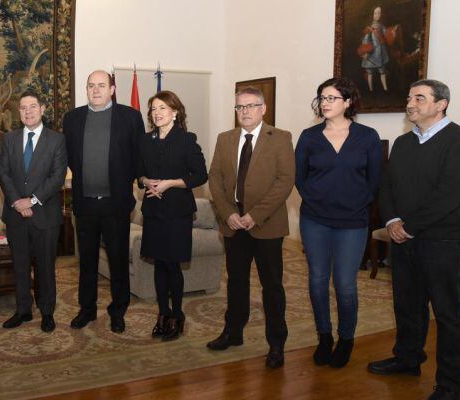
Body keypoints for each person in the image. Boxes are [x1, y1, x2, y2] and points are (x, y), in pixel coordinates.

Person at [367, 79, 460, 400]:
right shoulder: (403, 143)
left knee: (448, 313)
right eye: (410, 96)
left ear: (441, 104)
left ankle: (451, 384)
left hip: (443, 242)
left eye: (419, 98)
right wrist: (392, 220)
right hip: (404, 239)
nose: (410, 103)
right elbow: (387, 186)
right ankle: (408, 358)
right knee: (407, 306)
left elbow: (450, 195)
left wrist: (410, 224)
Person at [295, 78, 382, 368]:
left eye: (332, 98)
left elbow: (374, 180)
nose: (326, 102)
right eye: (322, 97)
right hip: (315, 220)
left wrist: (357, 203)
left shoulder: (367, 136)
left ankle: (346, 339)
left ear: (348, 103)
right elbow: (300, 177)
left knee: (345, 284)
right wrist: (316, 201)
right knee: (318, 281)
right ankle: (324, 336)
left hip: (353, 221)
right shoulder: (309, 136)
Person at [206, 86, 295, 369]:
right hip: (233, 224)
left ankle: (277, 343)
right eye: (239, 107)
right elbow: (215, 179)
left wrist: (254, 215)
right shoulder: (225, 139)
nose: (244, 111)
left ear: (263, 108)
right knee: (236, 282)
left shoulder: (280, 138)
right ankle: (233, 333)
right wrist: (228, 213)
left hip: (266, 225)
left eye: (250, 106)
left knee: (271, 286)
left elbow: (285, 180)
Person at [62, 70, 145, 333]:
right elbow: (70, 159)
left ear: (112, 89)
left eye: (101, 85)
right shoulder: (72, 119)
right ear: (86, 90)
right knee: (86, 262)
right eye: (90, 86)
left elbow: (138, 157)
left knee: (118, 261)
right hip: (85, 204)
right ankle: (87, 310)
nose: (95, 90)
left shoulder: (130, 117)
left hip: (116, 204)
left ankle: (118, 311)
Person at [137, 91, 207, 341]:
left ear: (175, 112)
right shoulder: (145, 140)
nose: (157, 113)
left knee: (173, 265)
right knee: (159, 263)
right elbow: (139, 172)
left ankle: (177, 315)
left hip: (177, 212)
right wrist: (147, 181)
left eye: (162, 108)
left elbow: (200, 175)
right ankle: (163, 313)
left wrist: (169, 184)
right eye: (153, 109)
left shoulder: (187, 140)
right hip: (153, 210)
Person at [0, 91, 68, 332]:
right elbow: (4, 173)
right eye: (23, 108)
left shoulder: (57, 139)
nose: (28, 112)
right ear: (19, 112)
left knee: (46, 267)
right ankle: (23, 310)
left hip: (45, 216)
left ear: (43, 109)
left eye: (33, 107)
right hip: (16, 214)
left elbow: (57, 177)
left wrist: (33, 200)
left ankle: (47, 312)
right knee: (19, 266)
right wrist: (18, 201)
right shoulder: (9, 139)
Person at [359, 6, 390, 92]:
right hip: (371, 53)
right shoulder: (369, 28)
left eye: (379, 13)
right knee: (370, 72)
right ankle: (370, 90)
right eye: (375, 13)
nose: (377, 15)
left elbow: (387, 37)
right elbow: (365, 40)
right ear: (372, 14)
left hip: (381, 53)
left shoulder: (382, 26)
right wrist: (365, 51)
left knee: (382, 71)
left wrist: (391, 33)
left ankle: (385, 89)